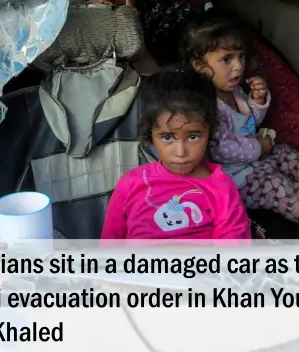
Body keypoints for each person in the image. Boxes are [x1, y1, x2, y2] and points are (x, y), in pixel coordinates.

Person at [182, 14, 299, 226]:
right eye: (227, 59)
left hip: (257, 159)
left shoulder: (236, 93)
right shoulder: (206, 106)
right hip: (240, 179)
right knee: (281, 187)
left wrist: (257, 102)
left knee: (286, 153)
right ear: (199, 65)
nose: (238, 66)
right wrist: (259, 147)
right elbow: (220, 149)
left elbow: (250, 126)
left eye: (240, 56)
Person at [100, 68, 251, 240]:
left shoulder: (221, 189)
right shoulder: (130, 184)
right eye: (167, 137)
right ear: (151, 135)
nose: (181, 152)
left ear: (210, 131)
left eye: (193, 136)